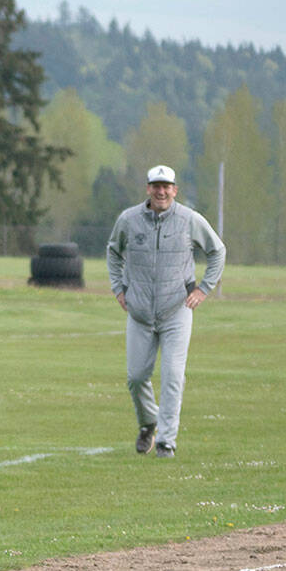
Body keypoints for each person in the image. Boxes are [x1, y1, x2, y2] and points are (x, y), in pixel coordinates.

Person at [107, 164, 225, 458]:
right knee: (136, 377)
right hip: (140, 312)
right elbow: (113, 251)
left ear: (175, 190)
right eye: (155, 186)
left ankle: (166, 442)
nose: (161, 191)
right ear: (147, 188)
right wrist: (119, 289)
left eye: (166, 186)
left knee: (173, 376)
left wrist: (203, 288)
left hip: (177, 310)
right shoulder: (129, 220)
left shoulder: (189, 220)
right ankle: (149, 423)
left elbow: (217, 251)